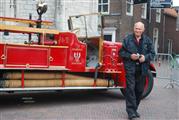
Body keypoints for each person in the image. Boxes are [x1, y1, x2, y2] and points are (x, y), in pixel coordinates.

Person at [119, 22, 155, 120]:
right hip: (130, 68)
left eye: (139, 29)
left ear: (143, 30)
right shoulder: (127, 39)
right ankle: (131, 112)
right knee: (130, 89)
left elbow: (152, 53)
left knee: (139, 91)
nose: (137, 30)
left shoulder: (147, 40)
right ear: (133, 28)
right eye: (136, 28)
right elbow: (121, 52)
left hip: (142, 69)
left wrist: (145, 58)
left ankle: (134, 109)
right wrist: (130, 56)